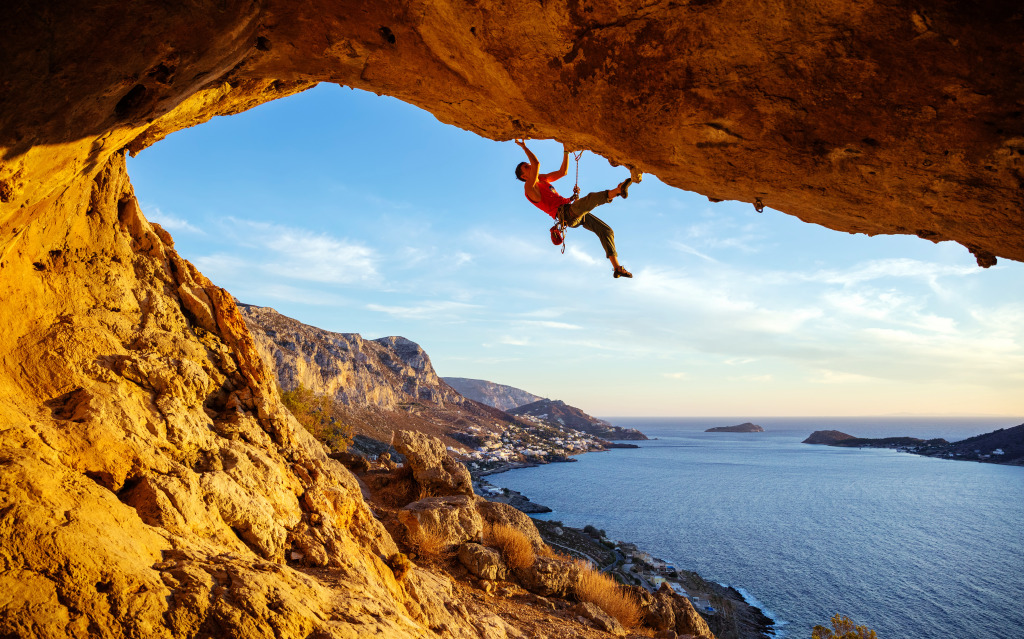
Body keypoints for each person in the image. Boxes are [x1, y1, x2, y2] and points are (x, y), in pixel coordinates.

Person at [514, 139, 633, 278]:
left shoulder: (542, 179)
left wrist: (566, 150)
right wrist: (524, 147)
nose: (531, 166)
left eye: (528, 165)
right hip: (566, 214)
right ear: (524, 176)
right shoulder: (529, 188)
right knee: (591, 199)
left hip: (570, 209)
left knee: (606, 230)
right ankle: (618, 190)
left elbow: (563, 172)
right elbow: (536, 163)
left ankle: (617, 267)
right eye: (527, 167)